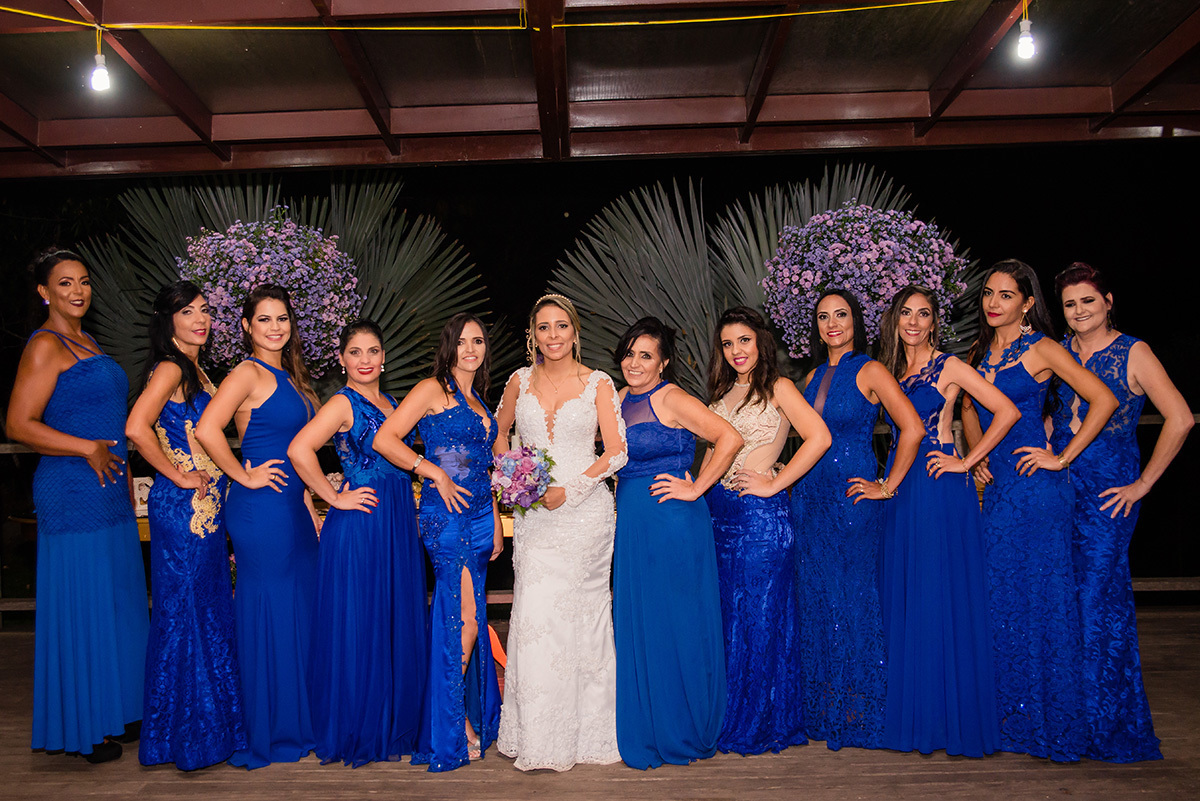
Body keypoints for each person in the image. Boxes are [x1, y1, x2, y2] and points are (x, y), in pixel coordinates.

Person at [964, 259, 1117, 761]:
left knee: (1043, 600)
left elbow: (1102, 399)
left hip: (1038, 490)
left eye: (1006, 295)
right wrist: (977, 455)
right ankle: (1011, 719)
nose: (993, 303)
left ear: (1028, 303)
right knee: (1001, 597)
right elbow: (968, 409)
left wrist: (1062, 457)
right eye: (988, 293)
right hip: (1001, 490)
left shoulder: (1042, 349)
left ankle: (1052, 723)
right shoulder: (979, 354)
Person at [7, 248, 148, 763]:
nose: (78, 291)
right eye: (65, 283)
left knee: (118, 600)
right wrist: (85, 447)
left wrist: (121, 467)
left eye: (84, 281)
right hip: (71, 489)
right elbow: (18, 425)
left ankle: (121, 708)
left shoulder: (86, 340)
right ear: (44, 292)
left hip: (109, 487)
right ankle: (86, 728)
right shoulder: (44, 346)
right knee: (84, 603)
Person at [1049, 262, 1191, 762]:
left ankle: (1101, 724)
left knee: (1093, 601)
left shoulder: (1134, 352)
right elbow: (1048, 414)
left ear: (1108, 301)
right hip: (1061, 489)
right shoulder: (1060, 351)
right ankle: (1068, 717)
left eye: (1088, 300)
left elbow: (1178, 418)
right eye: (1069, 303)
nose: (1079, 310)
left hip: (1110, 497)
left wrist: (1143, 484)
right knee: (1068, 600)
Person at [875, 285, 1018, 758]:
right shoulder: (892, 369)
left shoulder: (950, 366)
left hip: (938, 485)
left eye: (924, 314)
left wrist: (967, 459)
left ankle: (943, 719)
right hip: (901, 486)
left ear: (935, 322)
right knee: (907, 594)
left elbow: (1007, 410)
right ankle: (915, 710)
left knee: (936, 593)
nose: (914, 322)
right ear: (896, 321)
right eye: (906, 314)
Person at [494, 294, 626, 771]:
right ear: (534, 333)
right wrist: (511, 475)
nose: (554, 336)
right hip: (535, 517)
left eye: (562, 326)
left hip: (585, 513)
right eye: (544, 327)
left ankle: (588, 732)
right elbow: (501, 433)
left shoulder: (598, 383)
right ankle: (538, 734)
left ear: (574, 332)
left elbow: (615, 452)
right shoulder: (517, 381)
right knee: (535, 616)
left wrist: (569, 490)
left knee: (583, 619)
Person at [287, 319, 428, 767]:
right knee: (362, 622)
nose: (365, 360)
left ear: (384, 357)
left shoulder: (390, 403)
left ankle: (393, 722)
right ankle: (361, 725)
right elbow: (299, 449)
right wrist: (333, 497)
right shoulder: (342, 403)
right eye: (355, 352)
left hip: (397, 522)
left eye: (372, 351)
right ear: (342, 359)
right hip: (362, 523)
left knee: (390, 618)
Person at [195, 283, 320, 769]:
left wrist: (307, 498)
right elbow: (208, 429)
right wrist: (243, 473)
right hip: (260, 507)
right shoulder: (246, 372)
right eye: (264, 319)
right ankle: (271, 728)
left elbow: (295, 446)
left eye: (282, 318)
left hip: (290, 505)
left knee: (296, 607)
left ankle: (298, 718)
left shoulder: (288, 374)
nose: (275, 327)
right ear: (246, 326)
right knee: (271, 609)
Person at [791, 289, 922, 751]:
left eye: (841, 315)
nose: (832, 324)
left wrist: (887, 484)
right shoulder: (809, 376)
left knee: (852, 596)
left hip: (852, 500)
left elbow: (913, 426)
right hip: (809, 501)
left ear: (855, 321)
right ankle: (825, 704)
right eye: (823, 316)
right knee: (818, 599)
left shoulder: (870, 370)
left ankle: (861, 704)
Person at [374, 313, 502, 771]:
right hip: (444, 517)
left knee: (468, 615)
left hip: (481, 516)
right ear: (449, 347)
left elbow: (484, 468)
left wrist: (498, 525)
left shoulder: (479, 400)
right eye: (463, 341)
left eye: (479, 341)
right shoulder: (433, 390)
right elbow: (386, 439)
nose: (471, 349)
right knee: (462, 619)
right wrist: (431, 470)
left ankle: (456, 719)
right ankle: (451, 729)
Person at [126, 281, 246, 770]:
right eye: (187, 312)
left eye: (204, 310)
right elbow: (136, 427)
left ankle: (197, 729)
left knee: (204, 612)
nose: (200, 319)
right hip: (185, 511)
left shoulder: (195, 367)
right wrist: (176, 473)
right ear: (167, 319)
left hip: (207, 508)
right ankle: (191, 737)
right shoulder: (173, 366)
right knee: (188, 614)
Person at [613, 316, 741, 769]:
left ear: (663, 362)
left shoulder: (670, 397)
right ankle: (650, 722)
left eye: (645, 355)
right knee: (645, 622)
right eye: (629, 353)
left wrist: (697, 487)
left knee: (678, 621)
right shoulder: (618, 399)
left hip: (672, 521)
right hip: (633, 525)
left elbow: (729, 437)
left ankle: (684, 726)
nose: (634, 362)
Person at [703, 306, 831, 755]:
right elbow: (713, 458)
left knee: (759, 618)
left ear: (760, 342)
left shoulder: (779, 387)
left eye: (744, 340)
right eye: (728, 343)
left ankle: (760, 720)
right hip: (719, 517)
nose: (737, 350)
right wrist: (696, 495)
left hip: (761, 520)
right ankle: (727, 713)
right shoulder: (720, 396)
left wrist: (776, 481)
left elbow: (819, 437)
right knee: (728, 619)